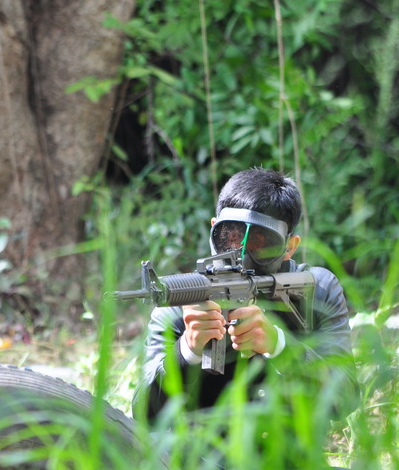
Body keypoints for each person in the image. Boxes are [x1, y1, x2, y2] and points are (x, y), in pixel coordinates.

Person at [135, 168, 355, 422]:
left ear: (290, 247)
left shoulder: (318, 289)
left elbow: (346, 398)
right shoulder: (183, 301)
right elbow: (143, 415)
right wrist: (187, 350)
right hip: (200, 446)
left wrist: (280, 346)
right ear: (214, 229)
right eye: (232, 238)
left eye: (262, 243)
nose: (242, 255)